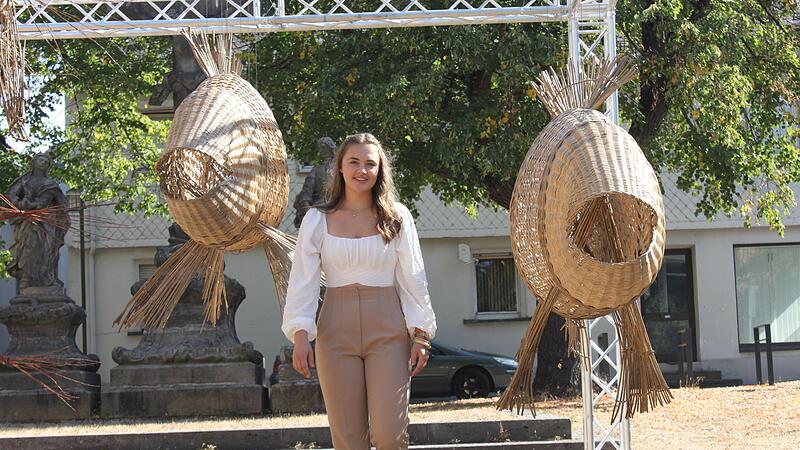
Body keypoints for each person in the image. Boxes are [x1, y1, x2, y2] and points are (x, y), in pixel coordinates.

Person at [282, 133, 436, 450]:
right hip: (335, 331)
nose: (361, 170)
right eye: (354, 162)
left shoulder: (396, 217)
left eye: (370, 163)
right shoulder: (316, 219)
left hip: (388, 330)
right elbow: (303, 279)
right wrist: (300, 334)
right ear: (339, 167)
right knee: (349, 439)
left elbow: (413, 277)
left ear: (380, 170)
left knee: (389, 434)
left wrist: (421, 334)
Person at [5, 153, 70, 290]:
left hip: (47, 221)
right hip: (29, 220)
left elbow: (62, 202)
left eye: (46, 162)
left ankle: (47, 277)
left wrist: (63, 209)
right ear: (33, 163)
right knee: (29, 246)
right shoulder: (24, 180)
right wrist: (20, 203)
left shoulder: (51, 184)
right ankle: (27, 278)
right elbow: (11, 194)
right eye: (41, 160)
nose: (44, 163)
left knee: (48, 249)